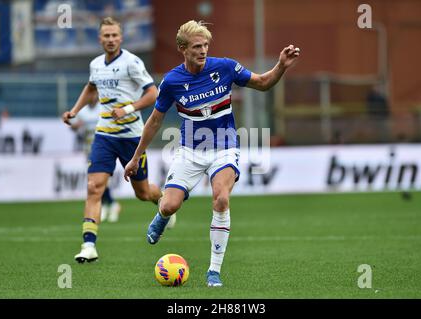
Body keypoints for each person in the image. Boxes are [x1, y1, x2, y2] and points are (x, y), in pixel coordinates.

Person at [124, 20, 300, 286]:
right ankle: (161, 217)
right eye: (197, 46)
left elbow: (263, 83)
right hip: (190, 151)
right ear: (183, 49)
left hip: (224, 148)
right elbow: (155, 121)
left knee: (221, 199)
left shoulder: (225, 67)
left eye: (206, 44)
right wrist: (136, 157)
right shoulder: (172, 81)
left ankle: (214, 271)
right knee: (170, 204)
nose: (203, 50)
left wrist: (281, 67)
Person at [62, 17, 164, 263]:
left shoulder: (131, 63)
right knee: (93, 187)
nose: (110, 40)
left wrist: (128, 109)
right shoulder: (96, 64)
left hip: (132, 138)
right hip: (104, 135)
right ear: (100, 39)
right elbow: (91, 88)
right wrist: (75, 111)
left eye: (114, 35)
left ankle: (164, 204)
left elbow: (153, 93)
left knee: (142, 192)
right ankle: (89, 245)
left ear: (121, 38)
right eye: (105, 36)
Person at [69, 99, 122, 223]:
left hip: (104, 149)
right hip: (89, 149)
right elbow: (74, 128)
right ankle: (110, 205)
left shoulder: (103, 108)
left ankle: (106, 205)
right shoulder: (82, 111)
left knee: (99, 180)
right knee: (95, 181)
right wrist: (74, 124)